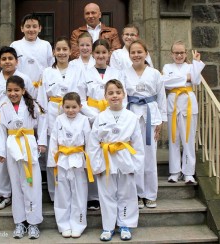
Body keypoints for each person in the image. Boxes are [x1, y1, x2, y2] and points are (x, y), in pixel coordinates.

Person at [88, 79, 144, 241]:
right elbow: (93, 144)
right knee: (106, 194)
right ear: (105, 96)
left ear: (124, 94)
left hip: (125, 159)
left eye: (118, 92)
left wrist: (136, 164)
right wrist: (96, 165)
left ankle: (125, 224)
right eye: (110, 93)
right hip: (106, 159)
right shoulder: (100, 117)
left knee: (126, 193)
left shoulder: (131, 117)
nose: (114, 96)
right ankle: (108, 226)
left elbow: (138, 144)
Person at [0, 75, 47, 239]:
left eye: (16, 90)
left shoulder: (33, 106)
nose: (13, 93)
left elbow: (43, 124)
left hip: (29, 145)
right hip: (12, 147)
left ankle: (33, 223)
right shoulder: (3, 107)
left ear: (23, 90)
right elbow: (0, 131)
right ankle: (20, 222)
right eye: (9, 90)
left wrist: (42, 142)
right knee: (16, 184)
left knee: (32, 183)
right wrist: (0, 152)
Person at [78, 39, 125, 211]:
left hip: (112, 116)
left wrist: (110, 114)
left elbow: (122, 95)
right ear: (92, 54)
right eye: (97, 52)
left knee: (111, 153)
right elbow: (81, 99)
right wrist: (95, 115)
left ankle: (112, 192)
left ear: (109, 54)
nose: (100, 56)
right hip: (92, 118)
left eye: (103, 52)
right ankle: (93, 196)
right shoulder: (84, 73)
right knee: (93, 154)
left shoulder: (117, 72)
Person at [37, 36, 84, 202]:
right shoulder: (47, 72)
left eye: (65, 49)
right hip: (52, 112)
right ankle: (55, 193)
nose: (62, 53)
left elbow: (81, 95)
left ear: (70, 52)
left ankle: (72, 192)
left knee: (72, 154)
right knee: (54, 154)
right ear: (53, 52)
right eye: (58, 49)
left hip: (72, 113)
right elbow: (42, 101)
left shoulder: (77, 70)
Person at [121, 40, 167, 209]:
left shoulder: (154, 73)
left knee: (150, 155)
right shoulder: (124, 73)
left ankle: (150, 194)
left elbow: (161, 98)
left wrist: (161, 120)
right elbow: (122, 97)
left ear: (146, 53)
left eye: (139, 52)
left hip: (150, 116)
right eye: (133, 52)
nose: (136, 55)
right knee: (134, 155)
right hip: (132, 116)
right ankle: (137, 194)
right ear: (129, 55)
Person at [0, 46, 34, 210]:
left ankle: (22, 192)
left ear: (17, 61)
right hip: (0, 123)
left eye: (10, 58)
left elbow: (30, 100)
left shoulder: (25, 78)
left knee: (21, 160)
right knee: (0, 159)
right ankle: (3, 194)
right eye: (4, 59)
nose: (7, 61)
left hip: (21, 125)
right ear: (0, 62)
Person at [48, 92, 93, 238]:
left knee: (79, 193)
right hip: (61, 159)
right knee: (62, 194)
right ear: (62, 107)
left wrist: (90, 164)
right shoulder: (59, 119)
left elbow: (89, 142)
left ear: (80, 106)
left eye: (74, 107)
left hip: (78, 159)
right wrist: (52, 161)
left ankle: (78, 224)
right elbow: (54, 139)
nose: (70, 110)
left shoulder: (84, 120)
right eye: (67, 107)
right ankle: (63, 225)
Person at [162, 41, 205, 184]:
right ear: (171, 54)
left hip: (188, 103)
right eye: (176, 53)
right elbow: (165, 82)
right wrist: (185, 78)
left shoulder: (191, 66)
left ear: (186, 53)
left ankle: (188, 173)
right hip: (173, 103)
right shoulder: (167, 67)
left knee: (188, 138)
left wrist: (197, 63)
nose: (179, 55)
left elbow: (196, 80)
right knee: (174, 138)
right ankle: (175, 172)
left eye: (181, 52)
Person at [10, 13, 55, 99]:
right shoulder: (15, 45)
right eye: (28, 26)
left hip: (41, 89)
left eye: (34, 26)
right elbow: (11, 68)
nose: (31, 29)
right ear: (22, 28)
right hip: (20, 89)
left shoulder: (46, 45)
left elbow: (51, 68)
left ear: (40, 28)